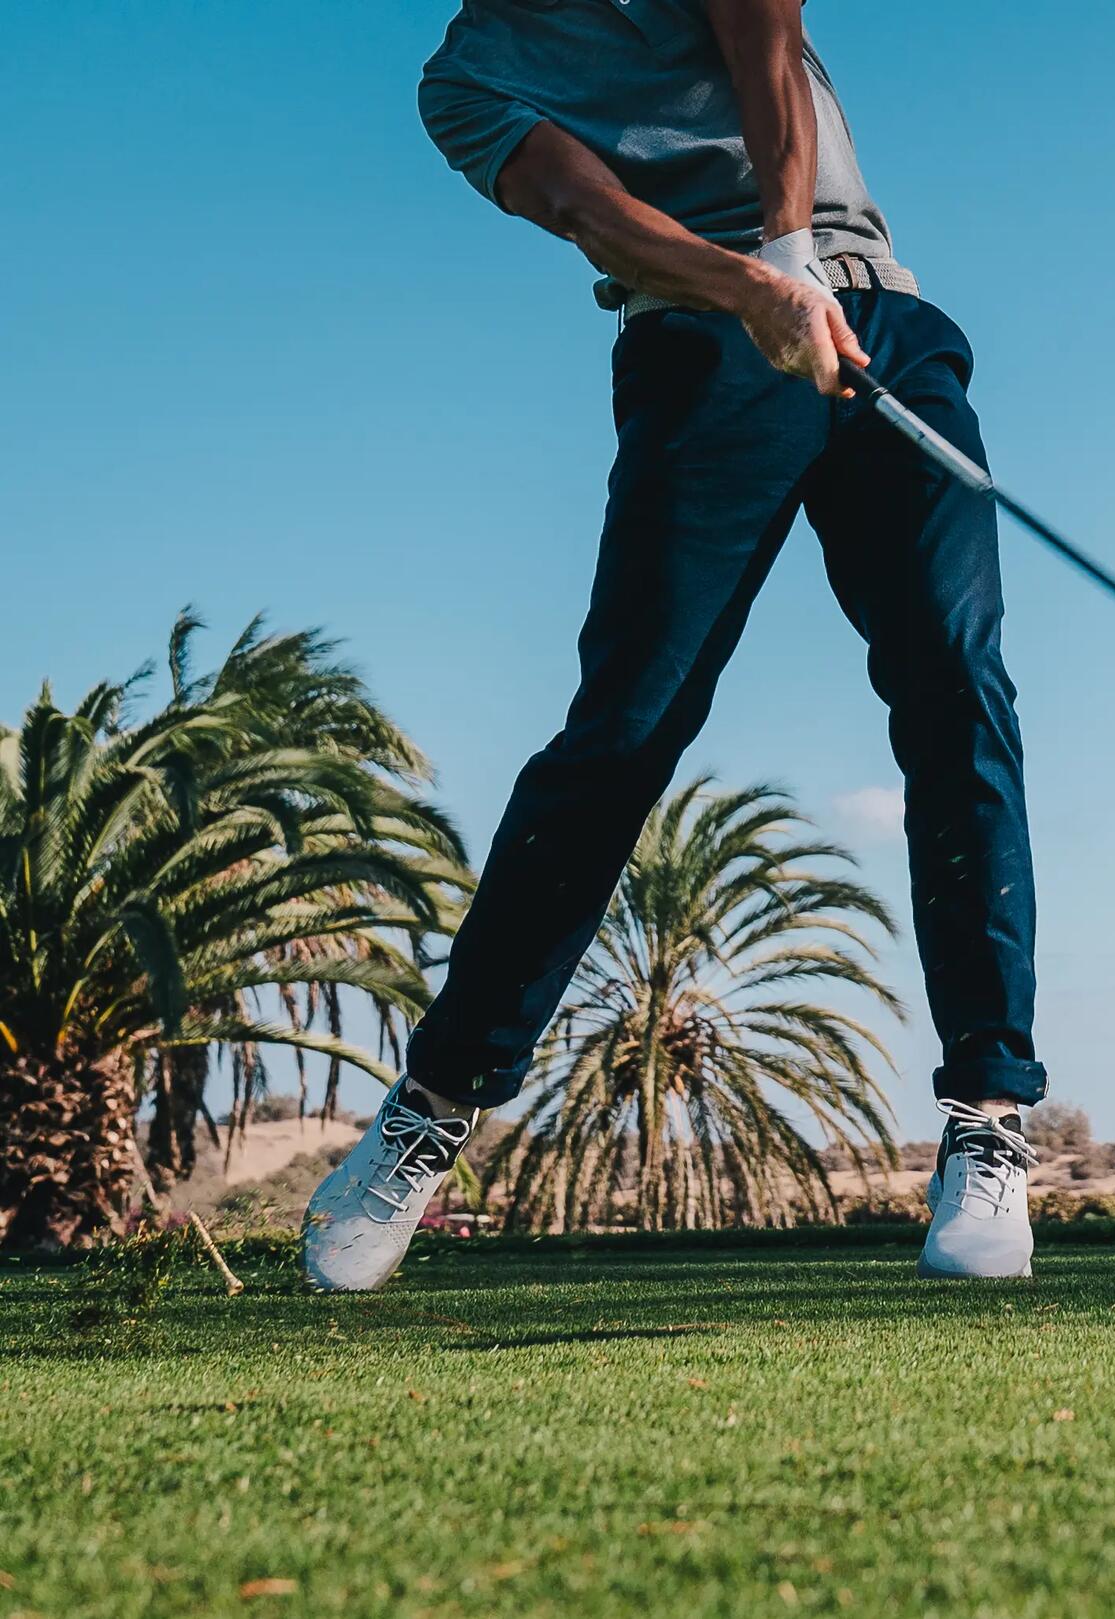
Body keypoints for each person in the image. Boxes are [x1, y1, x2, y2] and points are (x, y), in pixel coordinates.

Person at [304, 0, 1045, 1289]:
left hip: (886, 327)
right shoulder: (466, 84)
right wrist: (744, 284)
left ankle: (989, 1120)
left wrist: (792, 247)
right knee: (628, 730)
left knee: (957, 687)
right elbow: (585, 208)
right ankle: (430, 1113)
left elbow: (767, 47)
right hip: (701, 341)